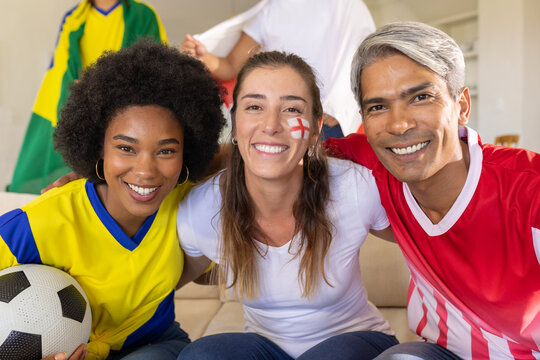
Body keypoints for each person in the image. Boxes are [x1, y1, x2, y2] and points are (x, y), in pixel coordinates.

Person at [325, 21, 540, 359]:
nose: (399, 124)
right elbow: (284, 154)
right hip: (438, 354)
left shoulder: (530, 189)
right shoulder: (374, 163)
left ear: (462, 105)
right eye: (377, 107)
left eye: (421, 97)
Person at [0, 40, 225, 360]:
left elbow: (221, 268)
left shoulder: (191, 207)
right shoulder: (43, 221)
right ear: (98, 148)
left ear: (186, 152)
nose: (145, 171)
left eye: (166, 151)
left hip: (154, 346)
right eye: (126, 148)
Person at [175, 51, 399, 360]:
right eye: (254, 107)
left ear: (315, 130)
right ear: (235, 124)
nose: (271, 125)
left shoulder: (355, 187)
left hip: (356, 341)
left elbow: (432, 245)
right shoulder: (203, 208)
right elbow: (161, 283)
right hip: (266, 350)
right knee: (200, 355)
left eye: (291, 108)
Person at [9, 0, 167, 194]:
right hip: (82, 108)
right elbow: (60, 72)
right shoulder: (73, 19)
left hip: (124, 110)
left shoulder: (143, 15)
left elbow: (156, 67)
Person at [180, 0, 375, 139]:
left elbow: (364, 63)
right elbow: (230, 65)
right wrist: (203, 57)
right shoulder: (271, 8)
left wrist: (337, 112)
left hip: (327, 125)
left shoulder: (349, 6)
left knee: (322, 191)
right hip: (277, 121)